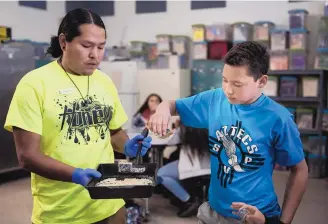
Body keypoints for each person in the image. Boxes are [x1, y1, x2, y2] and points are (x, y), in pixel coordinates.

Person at [4, 8, 152, 224]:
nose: (95, 55)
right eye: (86, 46)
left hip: (109, 202)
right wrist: (74, 174)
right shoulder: (34, 84)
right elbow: (27, 156)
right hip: (61, 211)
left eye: (101, 47)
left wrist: (128, 145)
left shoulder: (104, 82)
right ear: (64, 42)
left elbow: (112, 132)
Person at [147, 41, 308, 224]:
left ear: (261, 81)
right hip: (213, 211)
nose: (228, 90)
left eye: (237, 84)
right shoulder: (216, 99)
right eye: (224, 80)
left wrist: (282, 222)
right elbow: (173, 105)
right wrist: (162, 111)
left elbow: (300, 169)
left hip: (254, 215)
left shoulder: (278, 119)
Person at [157, 125, 210, 218]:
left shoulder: (185, 127)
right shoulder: (214, 123)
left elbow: (170, 141)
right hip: (212, 167)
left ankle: (189, 200)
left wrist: (173, 129)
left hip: (191, 166)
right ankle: (195, 198)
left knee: (160, 174)